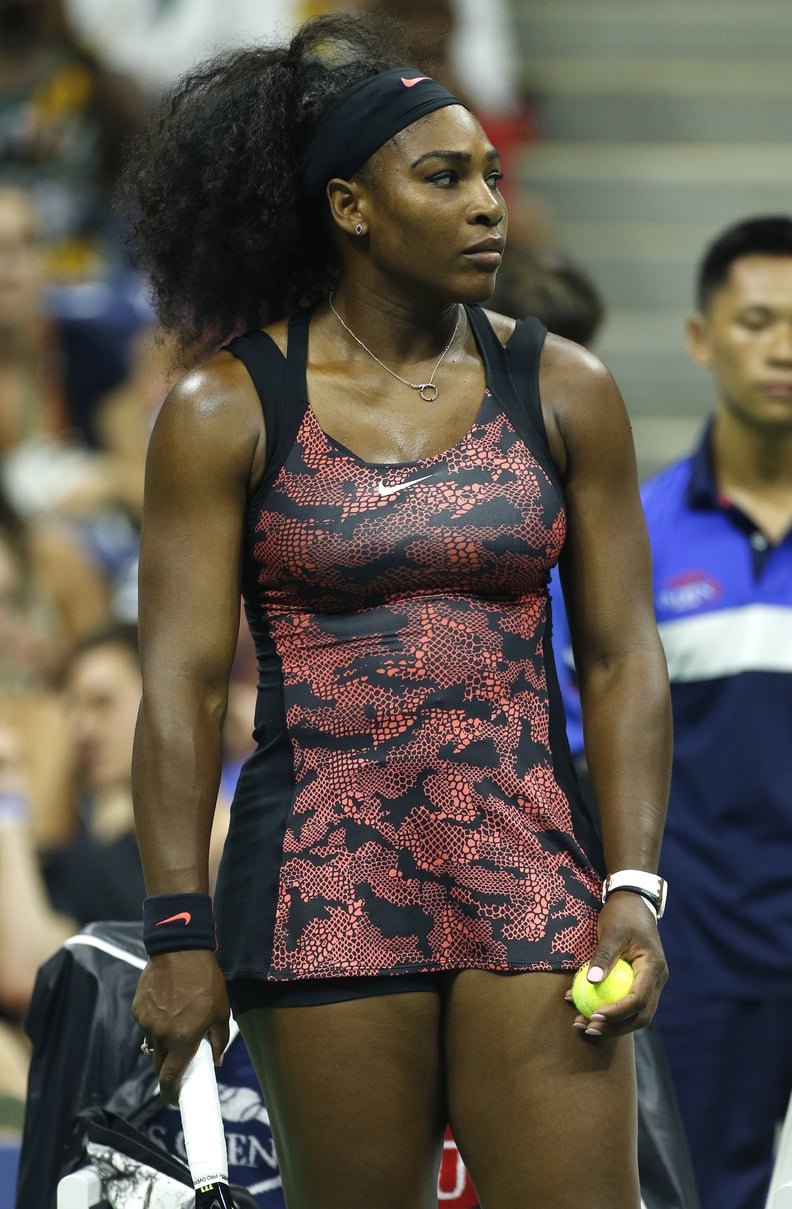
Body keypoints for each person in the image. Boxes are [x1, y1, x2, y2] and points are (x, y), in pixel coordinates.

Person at [120, 12, 671, 1208]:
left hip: (533, 872)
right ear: (349, 208)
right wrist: (177, 931)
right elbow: (178, 687)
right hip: (321, 879)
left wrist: (633, 886)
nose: (488, 206)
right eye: (445, 177)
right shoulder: (226, 405)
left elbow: (625, 656)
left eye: (492, 177)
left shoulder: (565, 384)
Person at [552, 215, 792, 1209]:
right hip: (699, 964)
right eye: (756, 320)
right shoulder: (633, 537)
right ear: (700, 338)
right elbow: (574, 751)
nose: (784, 347)